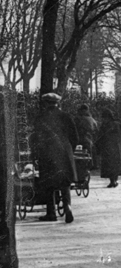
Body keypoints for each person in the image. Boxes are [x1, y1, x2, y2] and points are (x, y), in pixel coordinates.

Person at [31, 93, 78, 223]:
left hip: (47, 153)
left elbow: (35, 138)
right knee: (65, 183)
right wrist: (69, 150)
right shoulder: (66, 116)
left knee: (48, 184)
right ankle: (67, 207)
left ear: (45, 103)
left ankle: (51, 213)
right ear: (58, 103)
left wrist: (36, 153)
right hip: (64, 153)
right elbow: (75, 136)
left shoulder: (41, 117)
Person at [94, 108, 121, 189]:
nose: (103, 119)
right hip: (114, 148)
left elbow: (99, 137)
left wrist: (98, 147)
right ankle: (113, 181)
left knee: (111, 165)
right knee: (113, 165)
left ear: (108, 117)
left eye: (104, 118)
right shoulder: (117, 124)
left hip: (110, 148)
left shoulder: (107, 125)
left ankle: (113, 181)